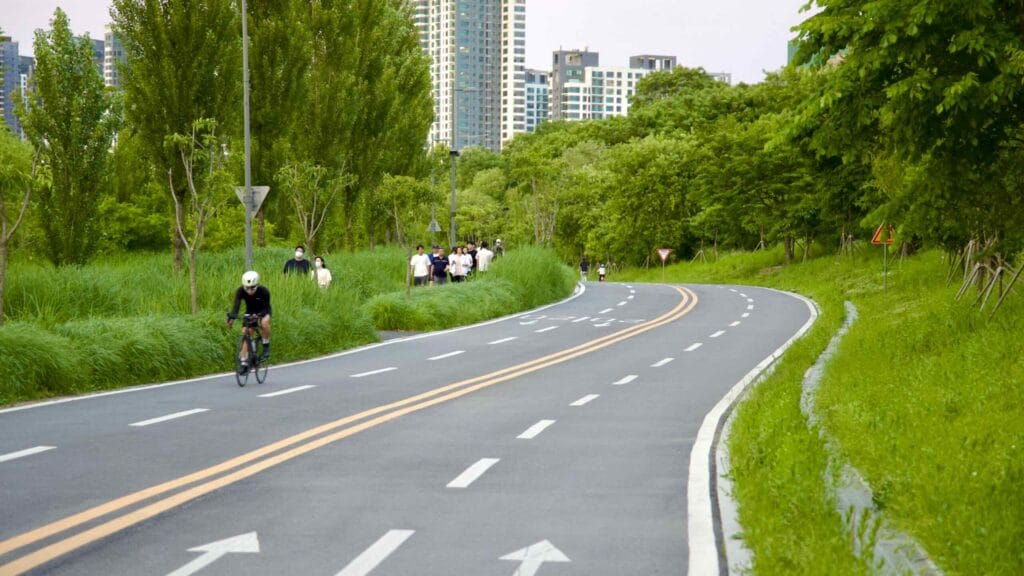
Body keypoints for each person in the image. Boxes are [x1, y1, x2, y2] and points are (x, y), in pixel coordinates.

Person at [227, 271, 272, 370]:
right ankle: (244, 362)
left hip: (263, 311)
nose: (249, 291)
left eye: (252, 288)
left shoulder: (264, 291)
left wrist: (259, 315)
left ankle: (265, 344)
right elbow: (236, 306)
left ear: (258, 284)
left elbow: (265, 307)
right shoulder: (240, 291)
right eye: (247, 288)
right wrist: (231, 318)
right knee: (245, 333)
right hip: (250, 312)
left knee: (264, 322)